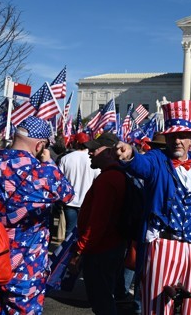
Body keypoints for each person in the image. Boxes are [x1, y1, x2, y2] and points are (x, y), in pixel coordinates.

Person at [115, 100, 191, 315]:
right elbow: (142, 166)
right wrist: (130, 155)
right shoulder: (156, 159)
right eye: (172, 136)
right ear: (166, 139)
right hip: (162, 242)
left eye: (183, 136)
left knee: (189, 305)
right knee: (157, 306)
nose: (177, 140)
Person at [0, 116, 74, 314]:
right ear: (40, 145)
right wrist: (48, 163)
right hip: (25, 260)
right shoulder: (44, 172)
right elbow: (67, 194)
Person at [67, 132, 127, 315]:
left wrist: (79, 250)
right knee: (104, 299)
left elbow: (97, 222)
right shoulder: (113, 176)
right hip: (110, 247)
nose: (89, 152)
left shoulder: (109, 179)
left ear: (109, 152)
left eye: (94, 149)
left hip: (102, 250)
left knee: (102, 302)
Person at [58, 132, 100, 237]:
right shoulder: (93, 159)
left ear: (76, 143)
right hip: (86, 201)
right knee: (83, 231)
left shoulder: (66, 158)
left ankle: (68, 252)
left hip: (70, 201)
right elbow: (98, 179)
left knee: (70, 231)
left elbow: (59, 181)